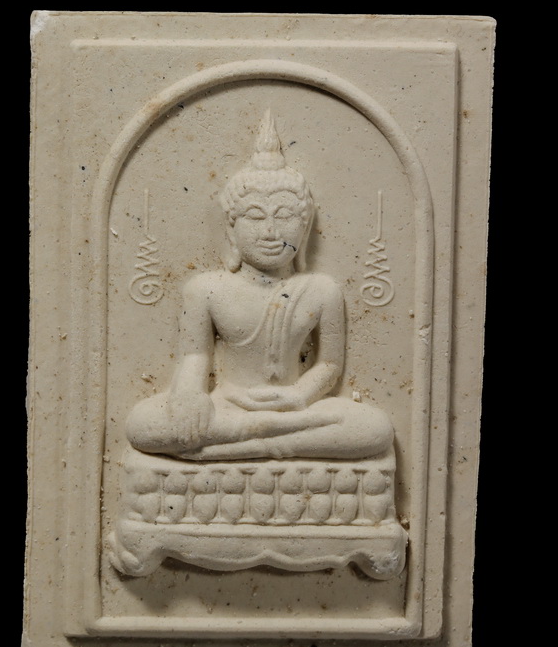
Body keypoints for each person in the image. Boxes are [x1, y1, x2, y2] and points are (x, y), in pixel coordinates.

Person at [126, 111, 393, 461]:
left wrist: (298, 396)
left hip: (294, 409)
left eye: (284, 215)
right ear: (231, 230)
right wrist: (189, 396)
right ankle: (268, 440)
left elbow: (329, 365)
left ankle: (248, 444)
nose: (270, 231)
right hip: (228, 405)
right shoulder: (206, 289)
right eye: (254, 216)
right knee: (142, 424)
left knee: (374, 428)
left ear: (304, 227)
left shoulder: (321, 290)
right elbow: (195, 356)